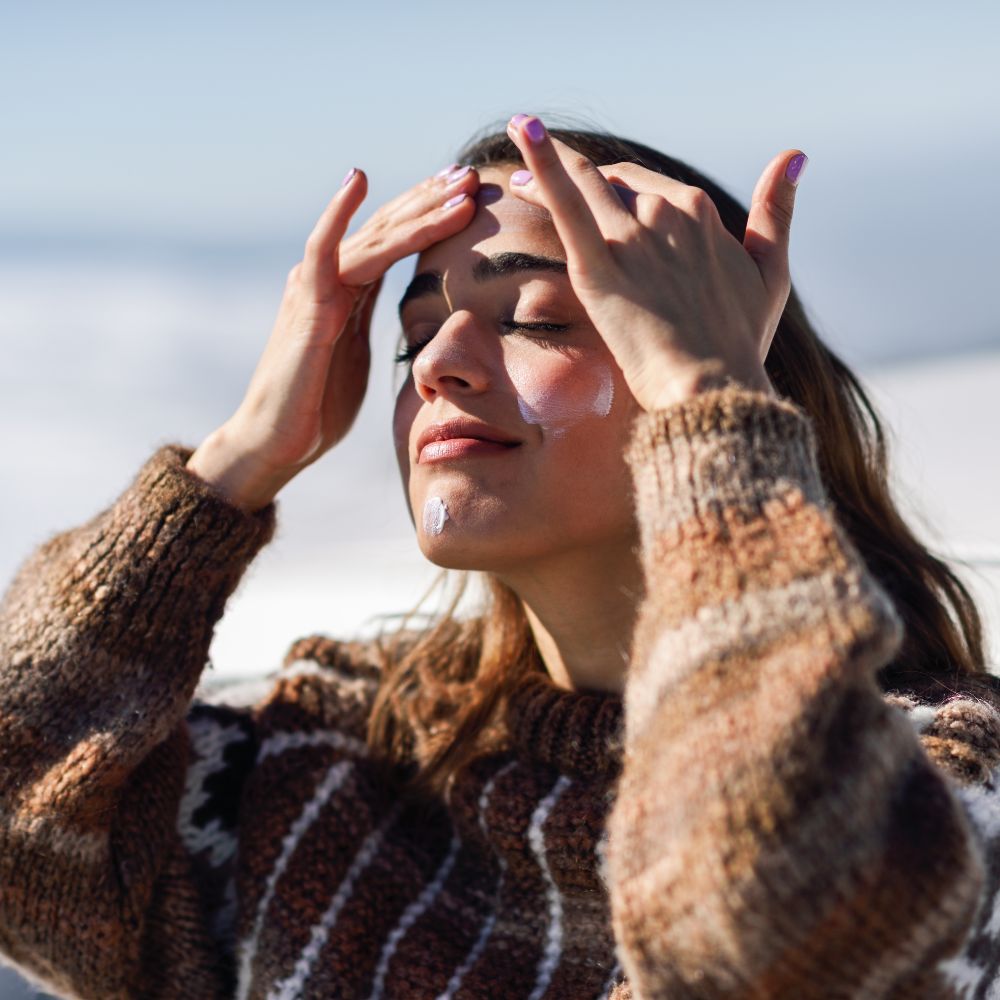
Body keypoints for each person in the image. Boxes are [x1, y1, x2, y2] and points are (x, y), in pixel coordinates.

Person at [1, 114, 998, 1000]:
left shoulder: (941, 794)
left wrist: (706, 401)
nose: (436, 364)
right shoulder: (327, 764)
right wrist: (238, 458)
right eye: (413, 339)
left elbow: (771, 944)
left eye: (539, 319)